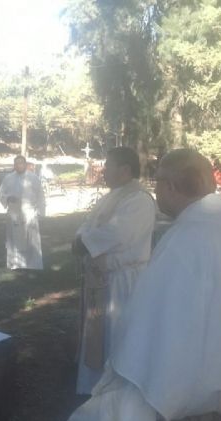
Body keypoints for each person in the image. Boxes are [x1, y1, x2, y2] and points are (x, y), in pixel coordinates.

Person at [53, 149, 221, 421]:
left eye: (157, 182)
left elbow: (149, 341)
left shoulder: (187, 241)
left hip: (194, 419)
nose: (155, 189)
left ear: (171, 187)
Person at [73, 146, 156, 395]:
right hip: (102, 278)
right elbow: (85, 227)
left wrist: (84, 242)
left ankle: (116, 388)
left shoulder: (139, 200)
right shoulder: (111, 197)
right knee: (99, 332)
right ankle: (93, 384)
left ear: (125, 169)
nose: (103, 170)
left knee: (117, 334)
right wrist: (83, 239)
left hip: (124, 281)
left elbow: (118, 234)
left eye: (108, 165)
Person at [0, 155, 45, 270]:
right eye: (16, 163)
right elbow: (0, 192)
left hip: (29, 213)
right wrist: (8, 198)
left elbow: (40, 195)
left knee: (30, 239)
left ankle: (32, 263)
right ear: (14, 165)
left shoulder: (33, 178)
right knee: (14, 239)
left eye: (21, 163)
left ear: (25, 164)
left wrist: (40, 212)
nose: (19, 165)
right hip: (14, 212)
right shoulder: (8, 178)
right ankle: (15, 263)